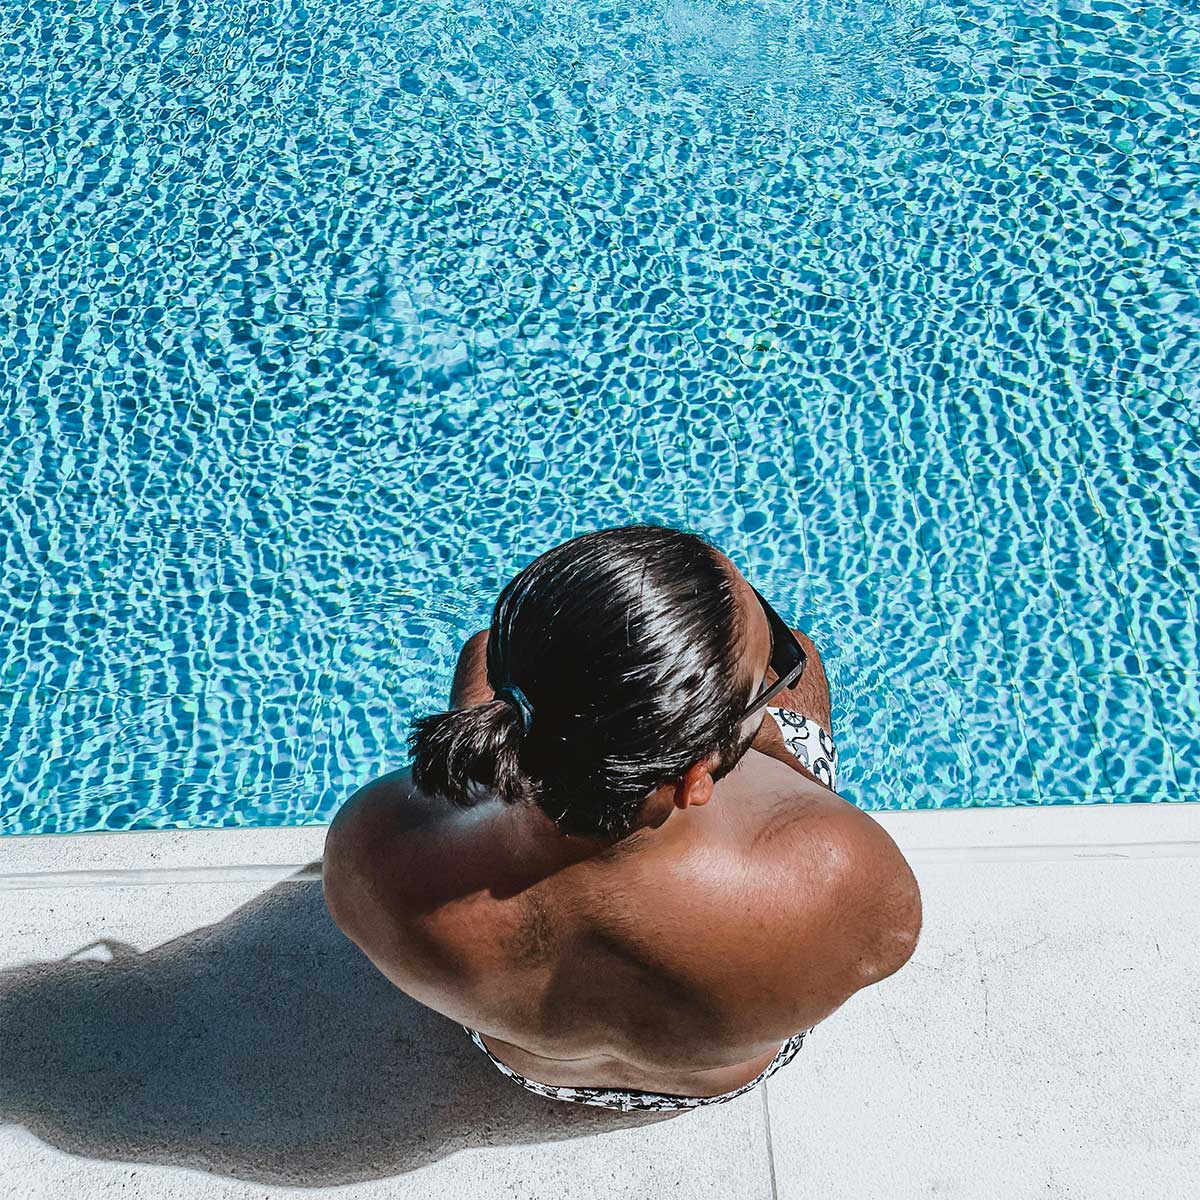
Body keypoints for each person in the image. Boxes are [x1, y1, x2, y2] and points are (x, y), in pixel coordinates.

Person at [322, 523, 922, 1112]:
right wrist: (766, 734)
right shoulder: (844, 871)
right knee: (808, 662)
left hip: (528, 1067)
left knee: (480, 650)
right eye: (768, 673)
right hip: (716, 1077)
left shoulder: (369, 849)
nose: (772, 673)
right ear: (696, 777)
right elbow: (884, 943)